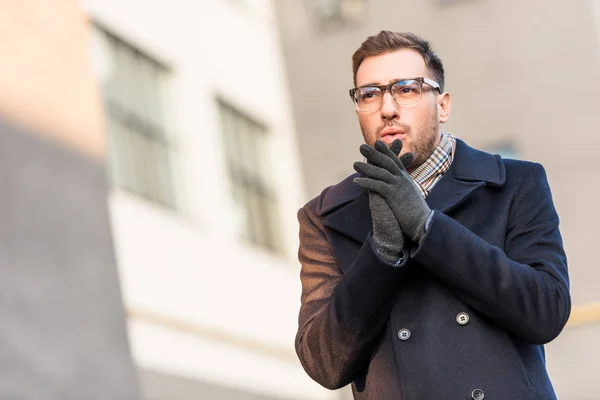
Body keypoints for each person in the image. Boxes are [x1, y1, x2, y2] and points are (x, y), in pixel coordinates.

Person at [295, 31, 570, 400]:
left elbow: (546, 311)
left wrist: (429, 229)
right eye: (370, 94)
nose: (387, 108)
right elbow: (324, 363)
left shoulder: (516, 183)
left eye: (406, 89)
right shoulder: (326, 216)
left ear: (442, 105)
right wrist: (382, 253)